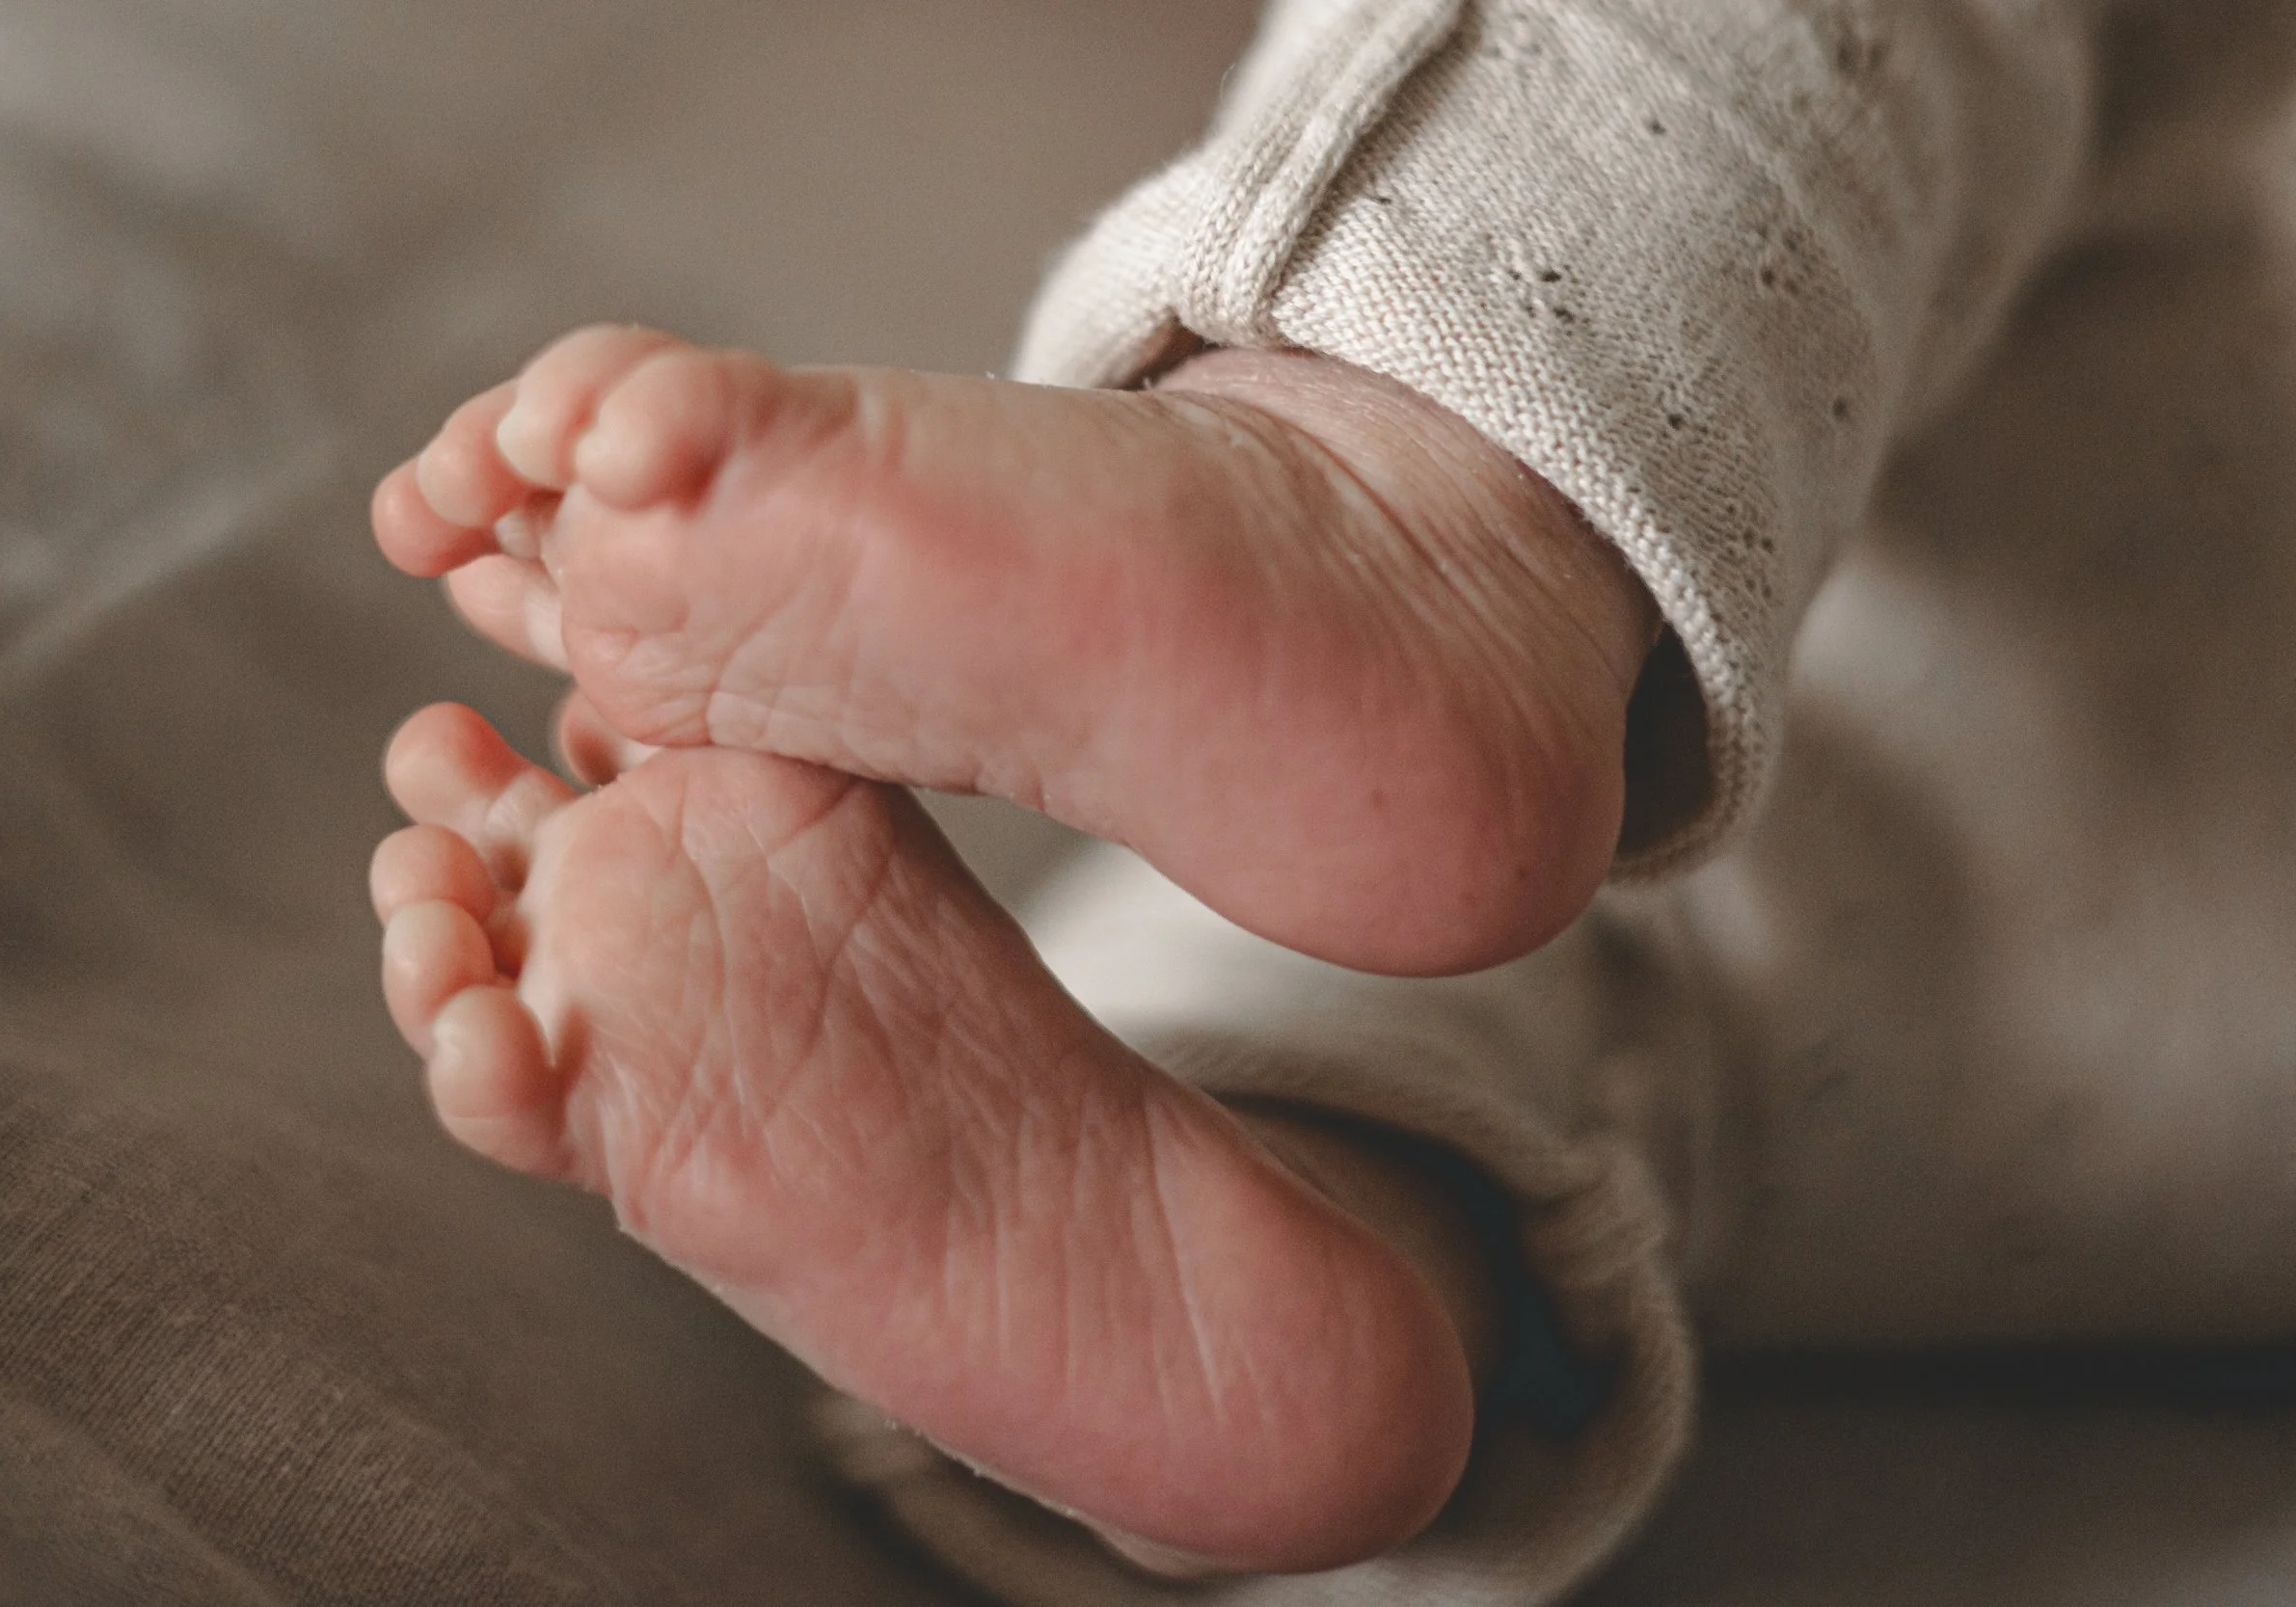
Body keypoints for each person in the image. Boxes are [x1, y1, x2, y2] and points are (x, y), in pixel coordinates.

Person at [369, 0, 2296, 1599]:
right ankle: (1299, 1199)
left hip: (1891, 757)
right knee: (1377, 879)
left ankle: (1410, 495)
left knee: (1494, 945)